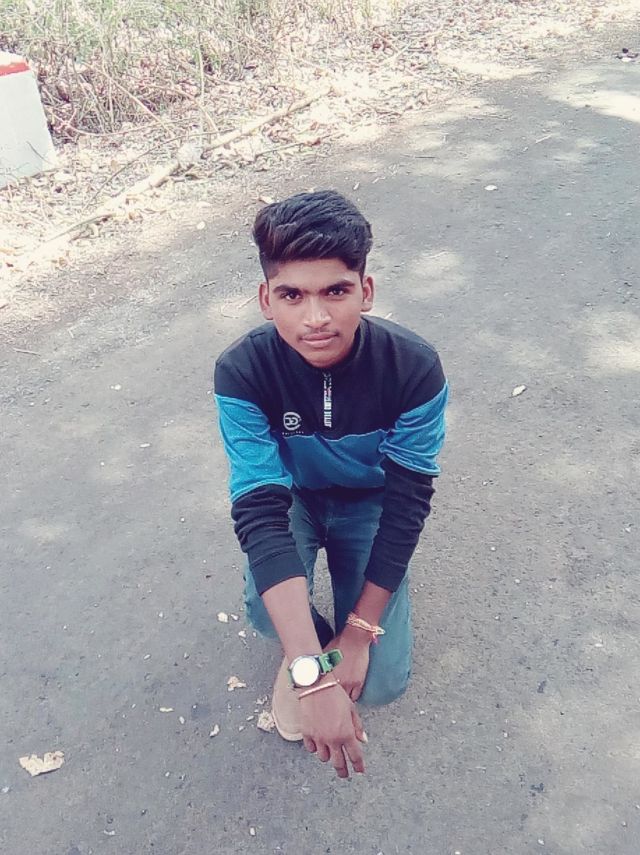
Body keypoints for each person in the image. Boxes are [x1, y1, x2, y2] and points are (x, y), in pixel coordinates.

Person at [214, 190, 448, 779]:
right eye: (292, 295)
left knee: (382, 683)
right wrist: (312, 673)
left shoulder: (414, 369)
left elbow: (408, 504)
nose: (315, 318)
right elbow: (259, 509)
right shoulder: (241, 371)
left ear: (365, 291)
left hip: (372, 503)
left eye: (335, 292)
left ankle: (328, 641)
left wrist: (360, 633)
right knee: (265, 613)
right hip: (292, 498)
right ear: (266, 299)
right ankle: (304, 651)